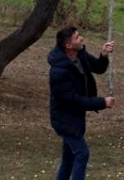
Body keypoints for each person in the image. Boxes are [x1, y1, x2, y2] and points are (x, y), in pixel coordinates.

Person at [48, 26, 115, 180]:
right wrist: (102, 102)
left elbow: (98, 68)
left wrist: (104, 54)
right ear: (68, 46)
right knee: (81, 153)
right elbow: (74, 100)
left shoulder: (79, 55)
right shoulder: (59, 72)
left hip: (74, 117)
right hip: (64, 119)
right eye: (77, 37)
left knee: (69, 157)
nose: (82, 38)